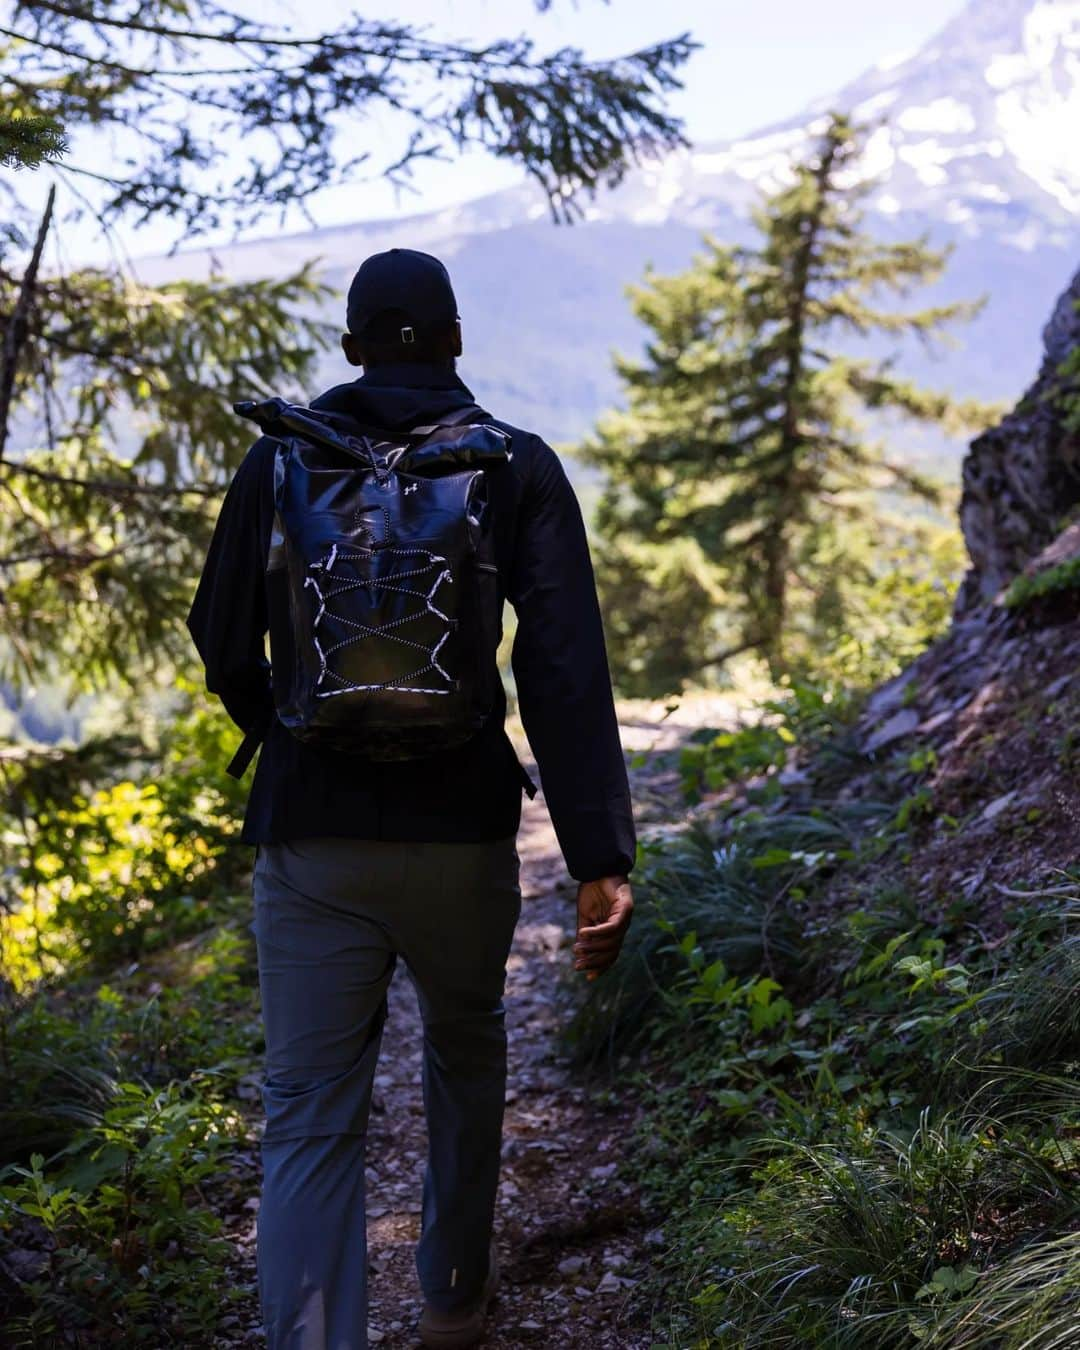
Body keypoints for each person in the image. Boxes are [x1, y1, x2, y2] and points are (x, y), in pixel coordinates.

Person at [187, 247, 636, 1350]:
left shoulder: (278, 462)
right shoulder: (517, 466)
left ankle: (312, 1338)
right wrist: (598, 857)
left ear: (348, 348)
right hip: (460, 832)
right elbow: (564, 672)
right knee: (465, 1049)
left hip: (310, 836)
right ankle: (449, 1301)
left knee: (306, 1115)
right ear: (455, 342)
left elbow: (218, 635)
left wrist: (290, 725)